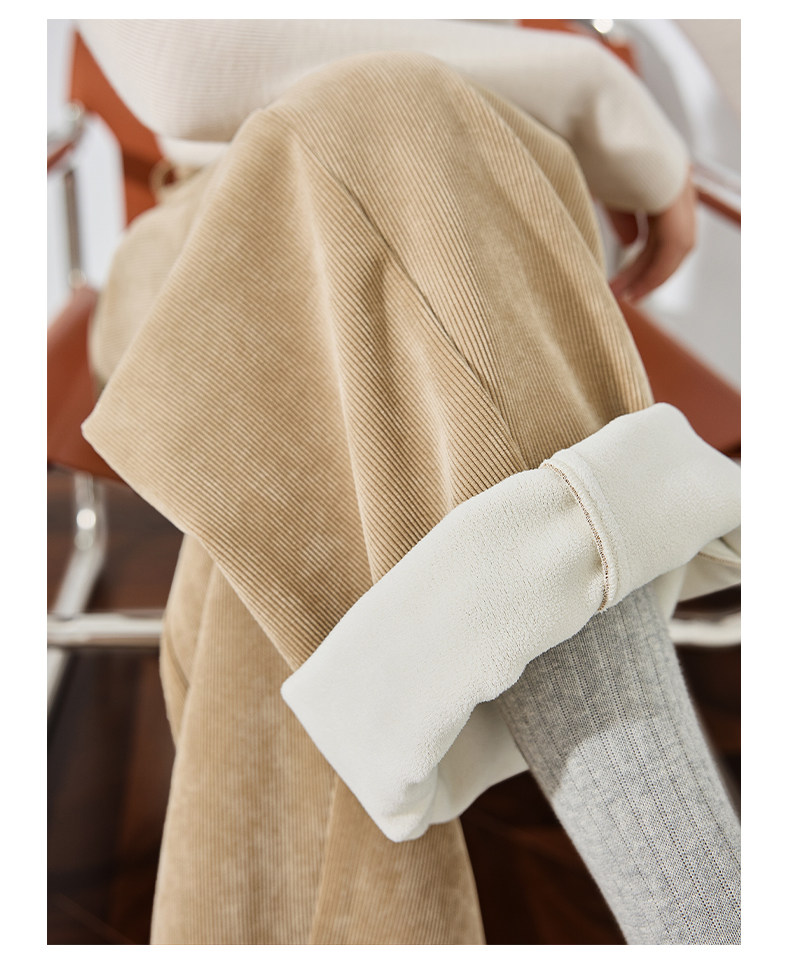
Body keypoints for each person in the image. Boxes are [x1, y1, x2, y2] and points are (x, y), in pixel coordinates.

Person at [79, 21, 740, 944]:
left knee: (287, 489)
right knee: (376, 111)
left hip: (505, 235)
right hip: (210, 230)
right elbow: (184, 70)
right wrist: (598, 94)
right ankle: (712, 915)